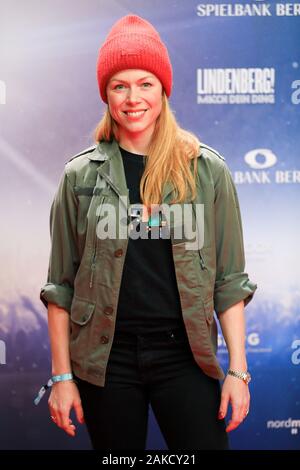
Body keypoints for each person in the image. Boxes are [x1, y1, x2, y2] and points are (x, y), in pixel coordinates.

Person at [38, 14, 257, 450]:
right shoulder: (79, 176)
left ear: (163, 90)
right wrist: (62, 377)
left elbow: (229, 281)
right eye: (120, 85)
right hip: (106, 359)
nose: (132, 97)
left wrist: (237, 370)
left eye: (145, 83)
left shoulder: (207, 170)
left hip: (185, 357)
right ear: (106, 95)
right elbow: (60, 287)